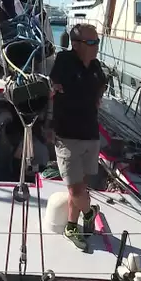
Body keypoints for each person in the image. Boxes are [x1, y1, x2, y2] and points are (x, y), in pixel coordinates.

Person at [45, 24, 107, 251]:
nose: (97, 46)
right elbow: (54, 82)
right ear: (77, 44)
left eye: (97, 41)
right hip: (67, 136)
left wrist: (97, 98)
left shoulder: (97, 66)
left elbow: (102, 83)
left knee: (82, 186)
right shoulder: (64, 61)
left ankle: (72, 225)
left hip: (91, 134)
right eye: (92, 42)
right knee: (75, 189)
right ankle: (90, 212)